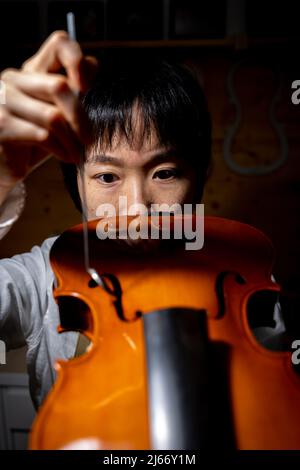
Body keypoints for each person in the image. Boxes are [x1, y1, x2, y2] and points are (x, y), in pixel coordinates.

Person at [0, 31, 285, 410]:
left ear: (199, 176)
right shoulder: (45, 273)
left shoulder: (242, 281)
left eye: (165, 173)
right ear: (76, 182)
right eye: (107, 177)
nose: (138, 208)